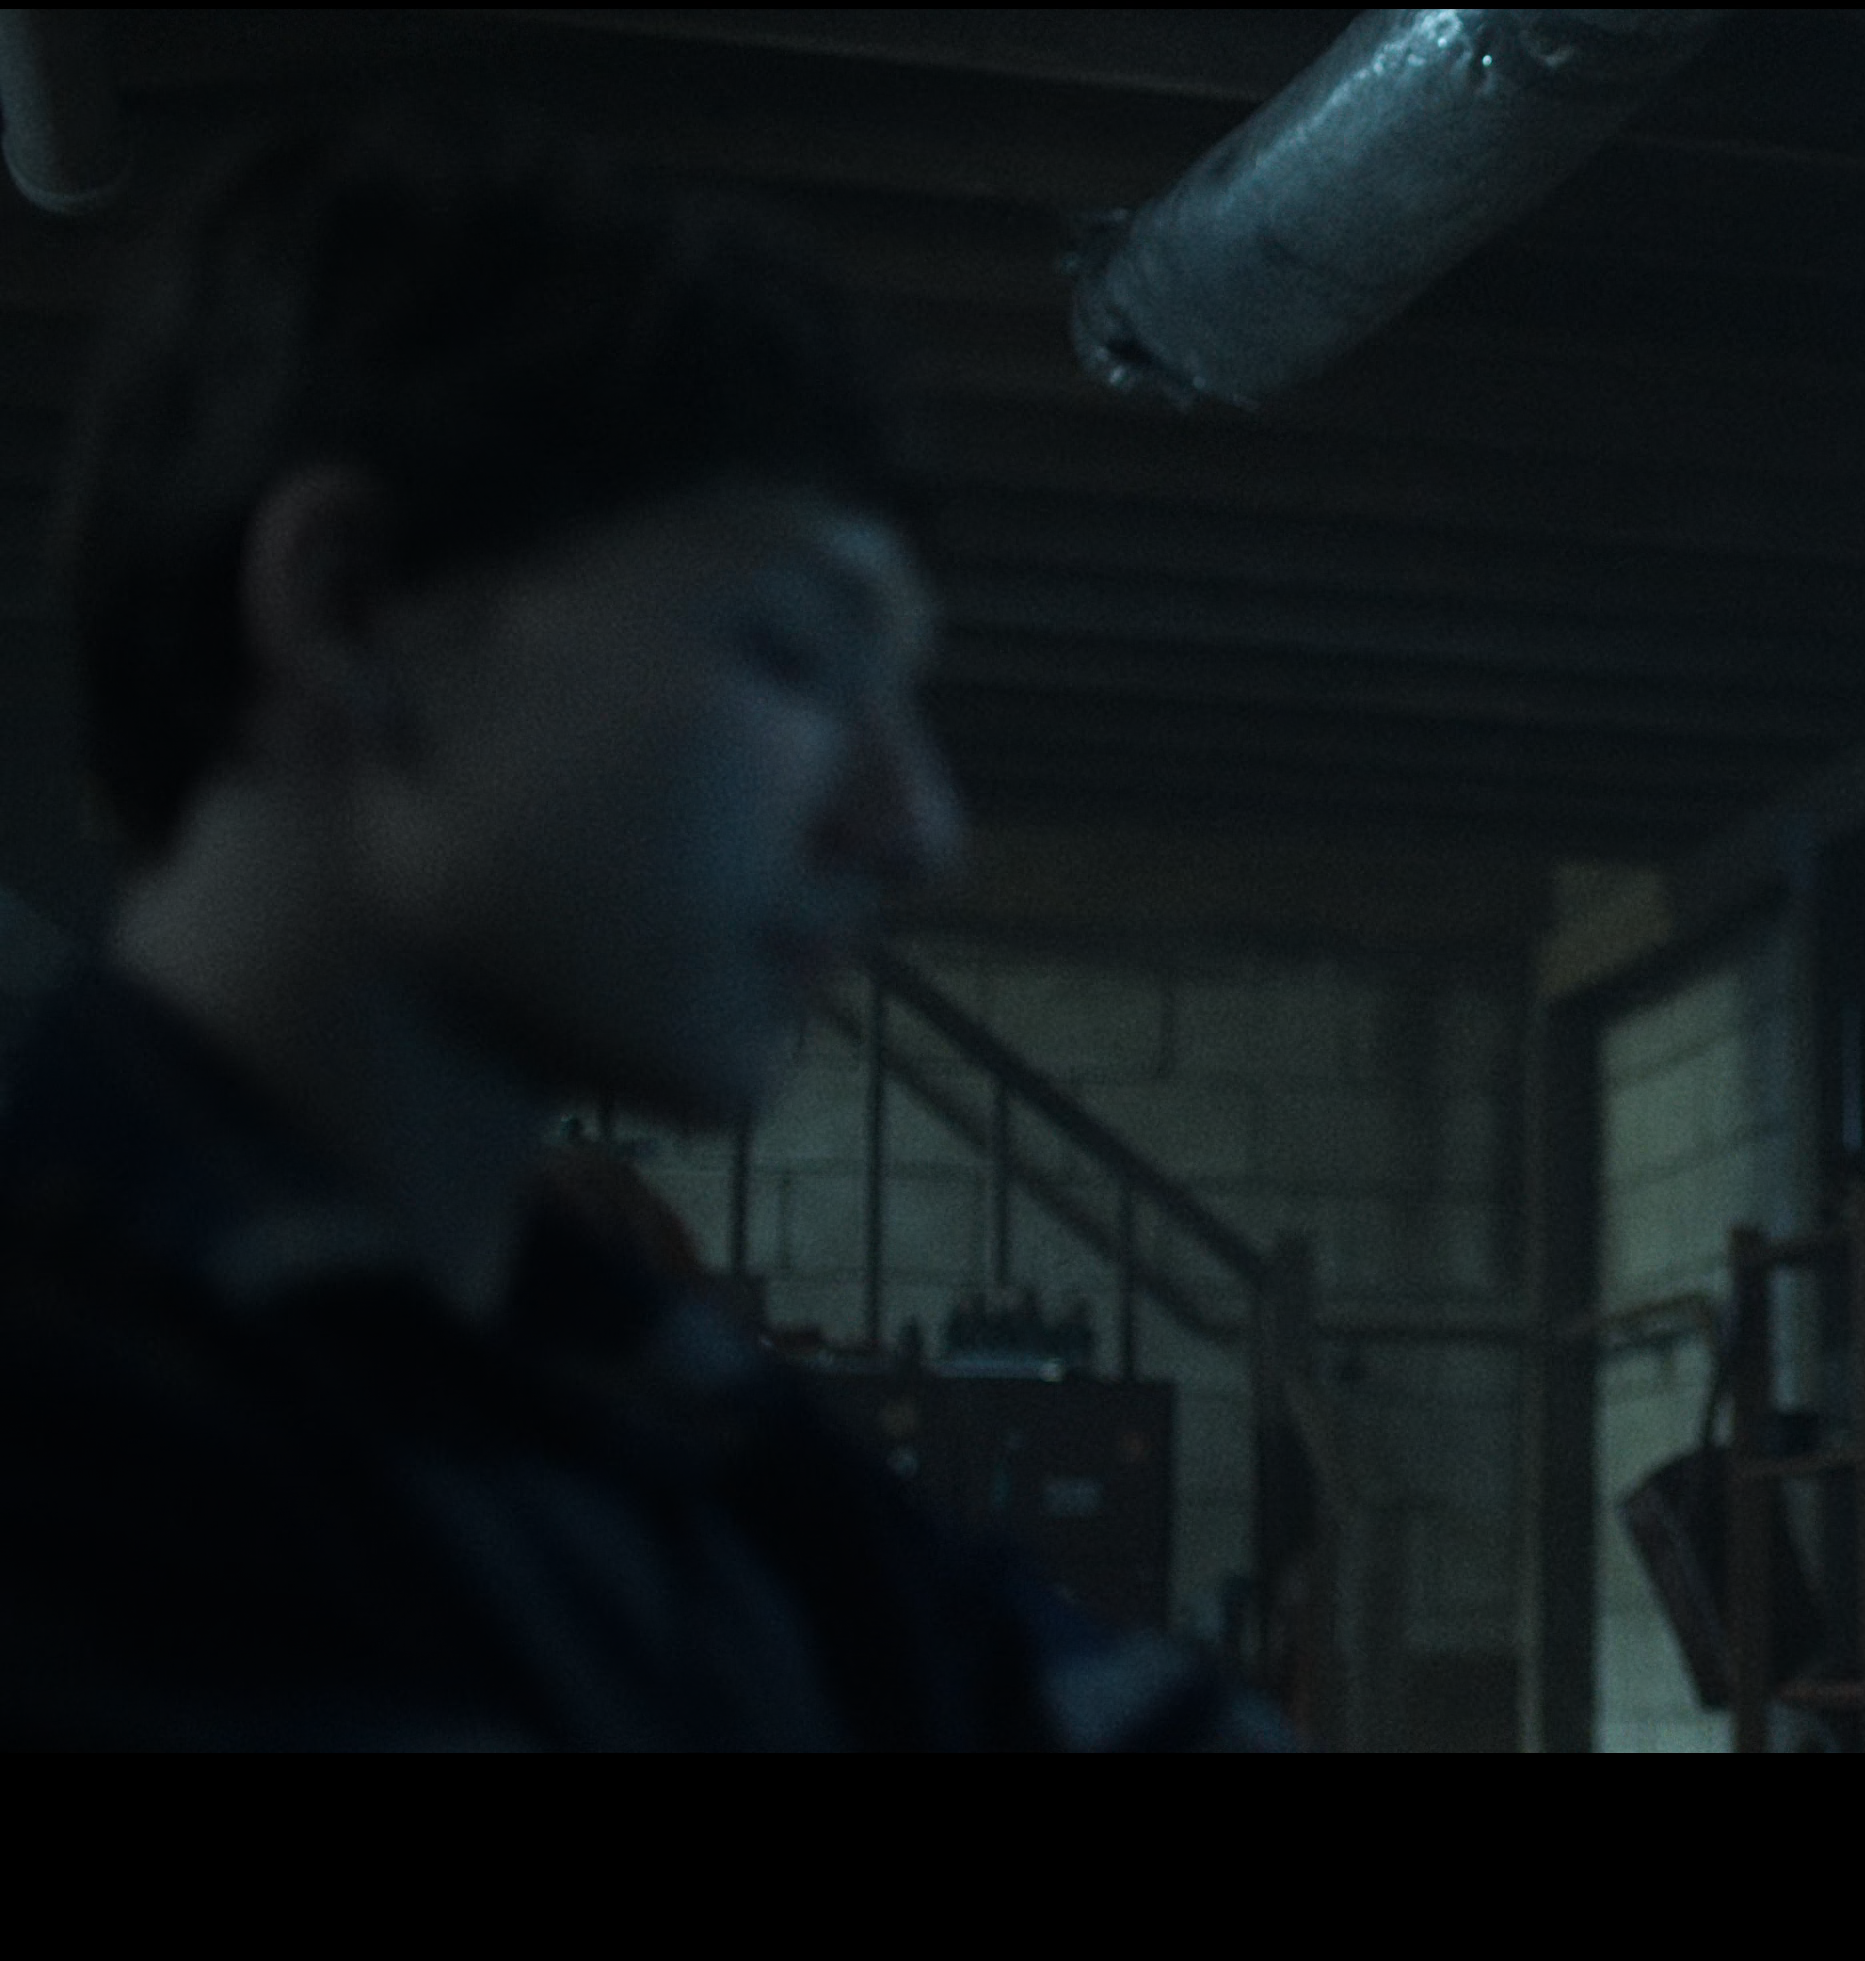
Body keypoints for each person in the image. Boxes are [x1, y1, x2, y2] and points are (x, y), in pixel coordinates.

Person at [0, 113, 1271, 1748]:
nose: (918, 826)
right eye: (791, 650)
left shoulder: (612, 1376)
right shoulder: (89, 1442)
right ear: (351, 606)